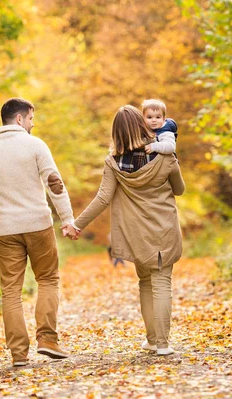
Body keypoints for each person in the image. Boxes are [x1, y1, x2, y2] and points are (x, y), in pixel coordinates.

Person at [63, 105, 185, 356]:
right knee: (162, 283)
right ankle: (163, 344)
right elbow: (180, 189)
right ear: (142, 124)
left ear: (116, 133)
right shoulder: (165, 155)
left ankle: (152, 340)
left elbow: (102, 198)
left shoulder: (112, 162)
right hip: (164, 229)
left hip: (136, 234)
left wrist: (77, 224)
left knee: (145, 283)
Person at [0, 97, 75, 367]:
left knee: (10, 292)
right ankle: (48, 340)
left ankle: (18, 354)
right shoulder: (35, 145)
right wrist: (67, 219)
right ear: (20, 119)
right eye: (30, 119)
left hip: (6, 231)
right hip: (38, 225)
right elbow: (55, 183)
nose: (31, 124)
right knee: (48, 280)